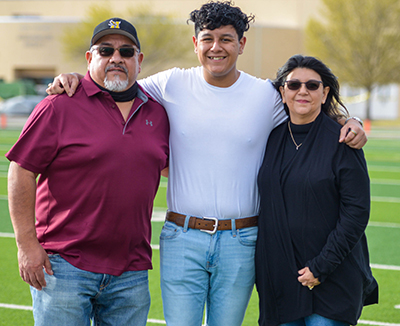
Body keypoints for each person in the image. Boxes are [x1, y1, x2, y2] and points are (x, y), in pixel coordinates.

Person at [46, 2, 367, 325]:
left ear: (241, 44)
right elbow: (115, 82)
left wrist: (348, 121)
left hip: (241, 239)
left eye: (226, 39)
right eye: (208, 38)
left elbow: (306, 107)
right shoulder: (169, 84)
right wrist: (74, 77)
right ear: (195, 43)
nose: (216, 47)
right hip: (182, 236)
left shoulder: (265, 95)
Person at [6, 18, 169, 326]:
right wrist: (26, 245)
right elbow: (21, 170)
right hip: (64, 266)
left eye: (126, 51)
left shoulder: (157, 112)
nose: (116, 58)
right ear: (89, 58)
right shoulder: (59, 105)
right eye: (105, 50)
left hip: (131, 271)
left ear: (140, 60)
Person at [255, 54, 378, 326]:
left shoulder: (343, 139)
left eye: (312, 86)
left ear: (324, 94)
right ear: (282, 92)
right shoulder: (270, 138)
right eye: (294, 85)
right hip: (281, 277)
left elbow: (356, 212)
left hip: (333, 276)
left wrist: (321, 267)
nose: (302, 91)